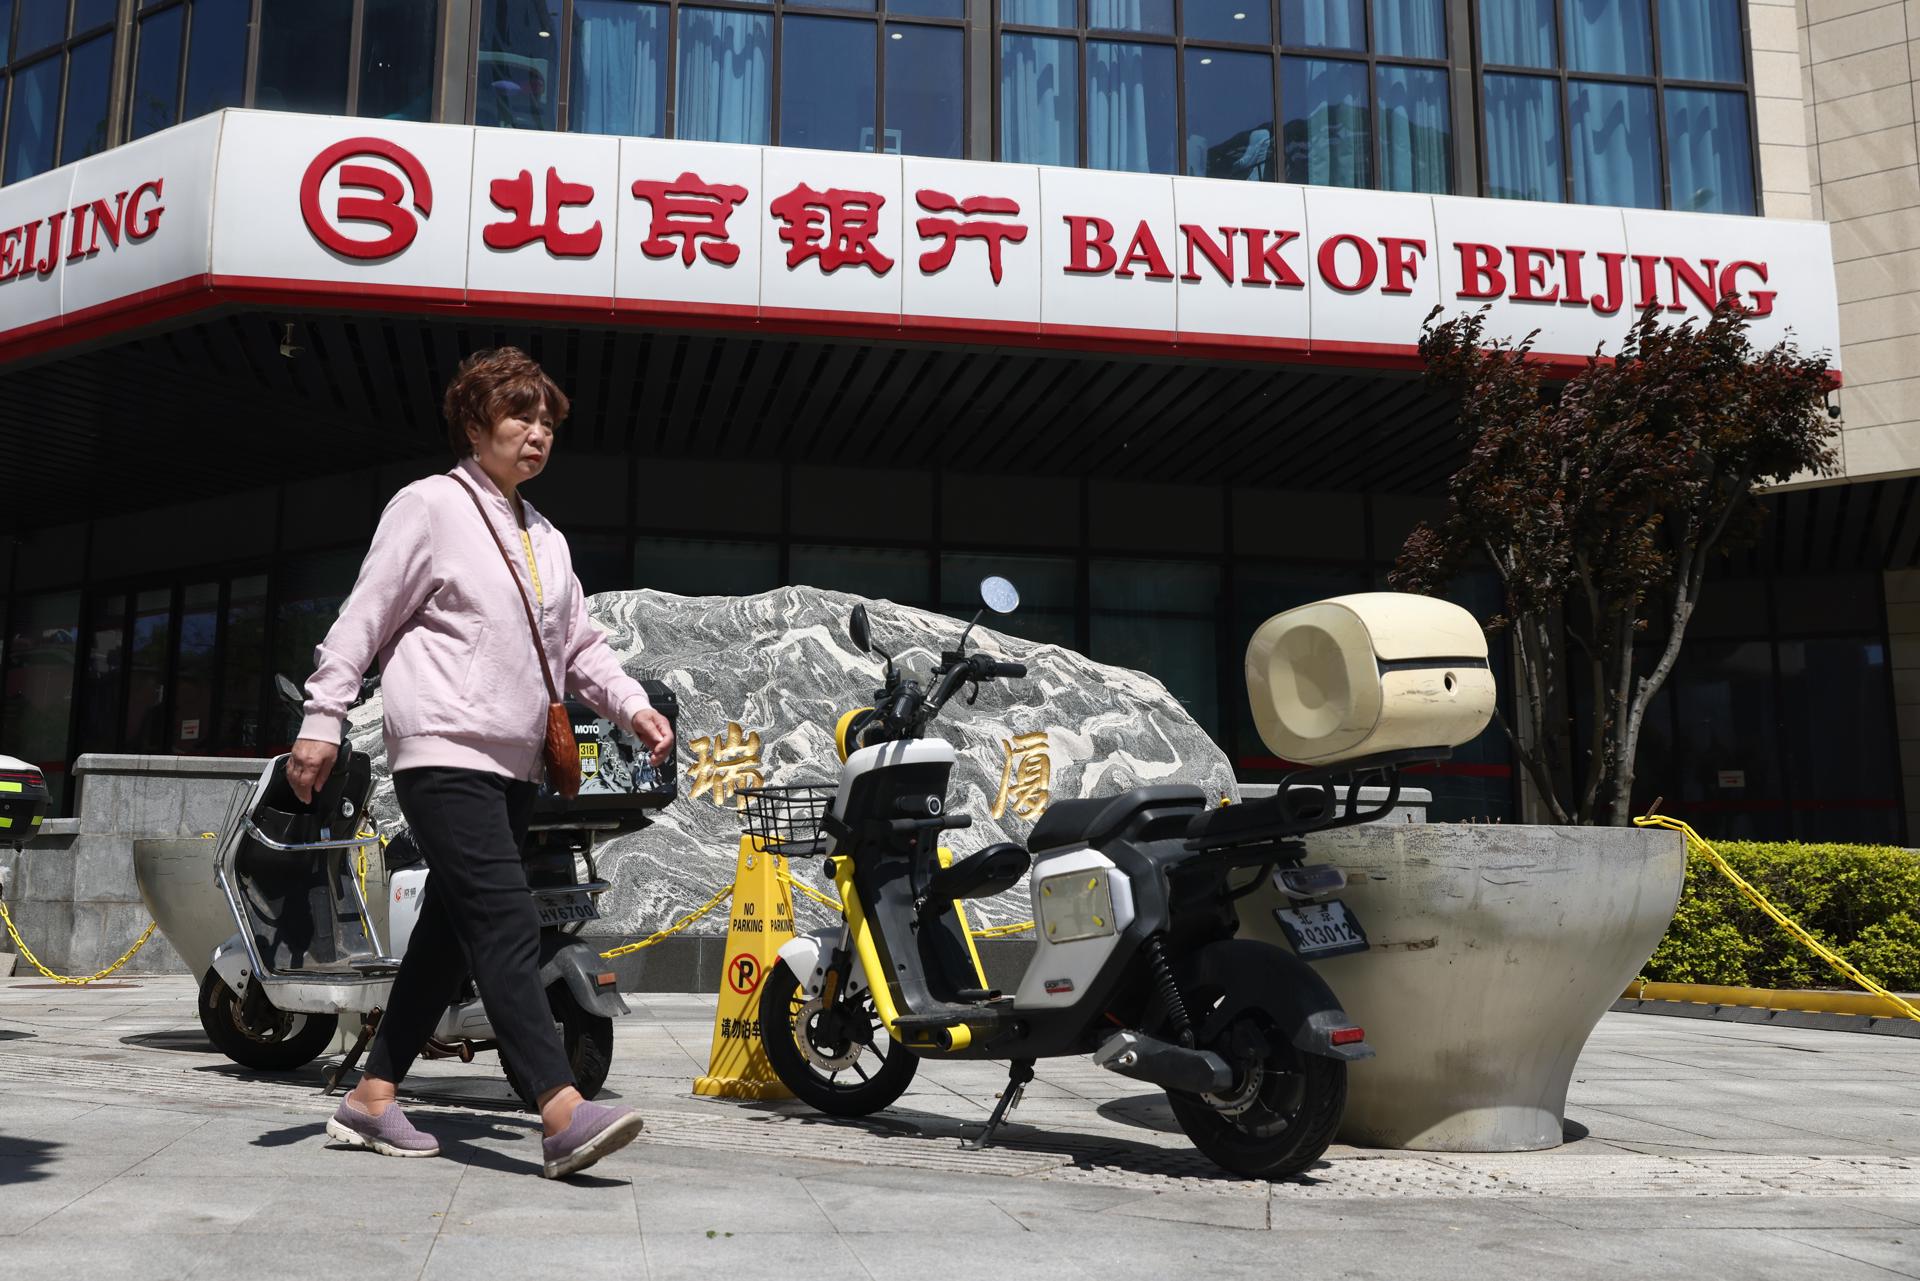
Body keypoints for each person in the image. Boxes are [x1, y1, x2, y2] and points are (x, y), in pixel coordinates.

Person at [288, 347, 673, 1180]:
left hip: (514, 765)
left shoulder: (546, 538)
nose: (536, 435)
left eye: (547, 423)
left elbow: (578, 646)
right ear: (474, 425)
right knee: (503, 917)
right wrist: (322, 717)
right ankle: (561, 1108)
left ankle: (372, 1096)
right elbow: (363, 617)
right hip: (441, 750)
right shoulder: (428, 507)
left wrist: (632, 704)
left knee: (450, 934)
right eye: (519, 418)